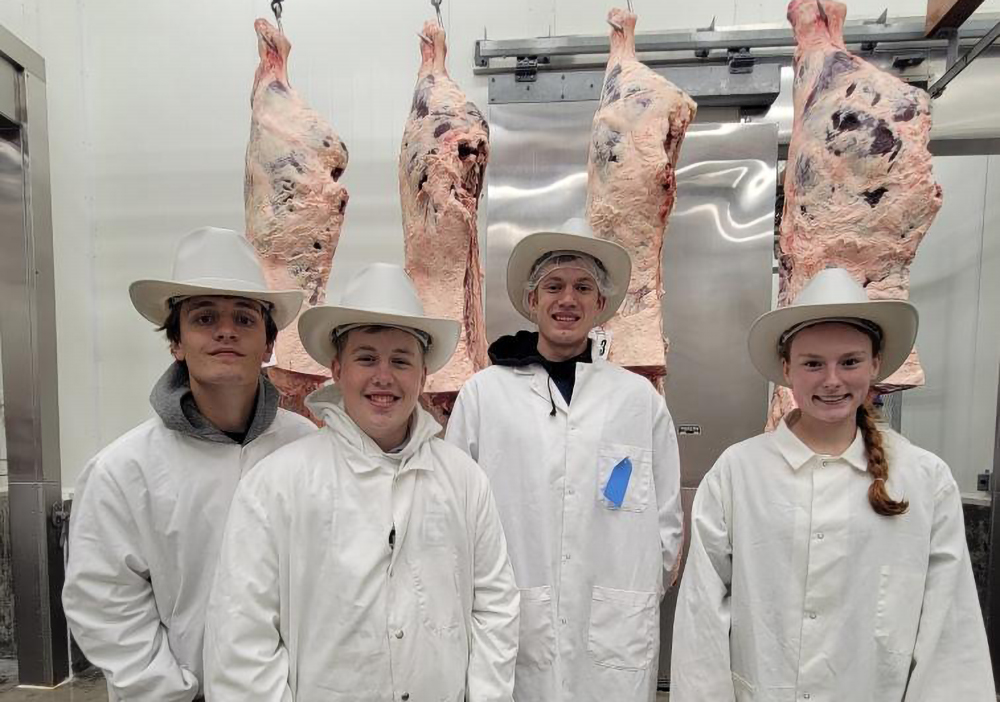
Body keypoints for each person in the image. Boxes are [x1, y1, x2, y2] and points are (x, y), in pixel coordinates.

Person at [671, 267, 996, 700]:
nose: (832, 380)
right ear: (786, 369)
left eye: (850, 361)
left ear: (875, 364)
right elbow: (702, 617)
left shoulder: (924, 478)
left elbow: (949, 631)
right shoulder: (738, 471)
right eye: (812, 363)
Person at [204, 262, 520, 701]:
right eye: (366, 358)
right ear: (337, 370)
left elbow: (495, 608)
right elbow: (242, 640)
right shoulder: (276, 484)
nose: (383, 377)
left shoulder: (465, 481)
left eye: (401, 361)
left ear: (423, 375)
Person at [62, 226, 316, 701]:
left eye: (244, 318)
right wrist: (173, 691)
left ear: (267, 346)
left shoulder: (306, 447)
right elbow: (105, 603)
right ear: (176, 342)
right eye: (204, 317)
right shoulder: (123, 470)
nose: (226, 330)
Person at [446, 221, 684, 702]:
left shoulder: (638, 400)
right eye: (553, 286)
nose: (567, 300)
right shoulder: (484, 395)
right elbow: (453, 507)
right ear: (532, 300)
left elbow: (666, 525)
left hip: (615, 631)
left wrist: (629, 591)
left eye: (583, 288)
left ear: (601, 304)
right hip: (513, 620)